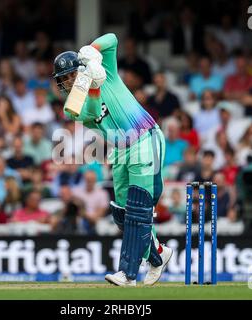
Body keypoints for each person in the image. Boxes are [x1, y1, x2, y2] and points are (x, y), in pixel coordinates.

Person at [53, 34, 172, 287]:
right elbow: (93, 112)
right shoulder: (71, 103)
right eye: (63, 79)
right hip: (119, 150)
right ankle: (158, 254)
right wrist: (92, 84)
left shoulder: (105, 68)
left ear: (80, 69)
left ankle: (127, 274)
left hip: (143, 137)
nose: (67, 81)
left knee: (139, 208)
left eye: (70, 75)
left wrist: (91, 50)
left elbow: (113, 39)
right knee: (121, 214)